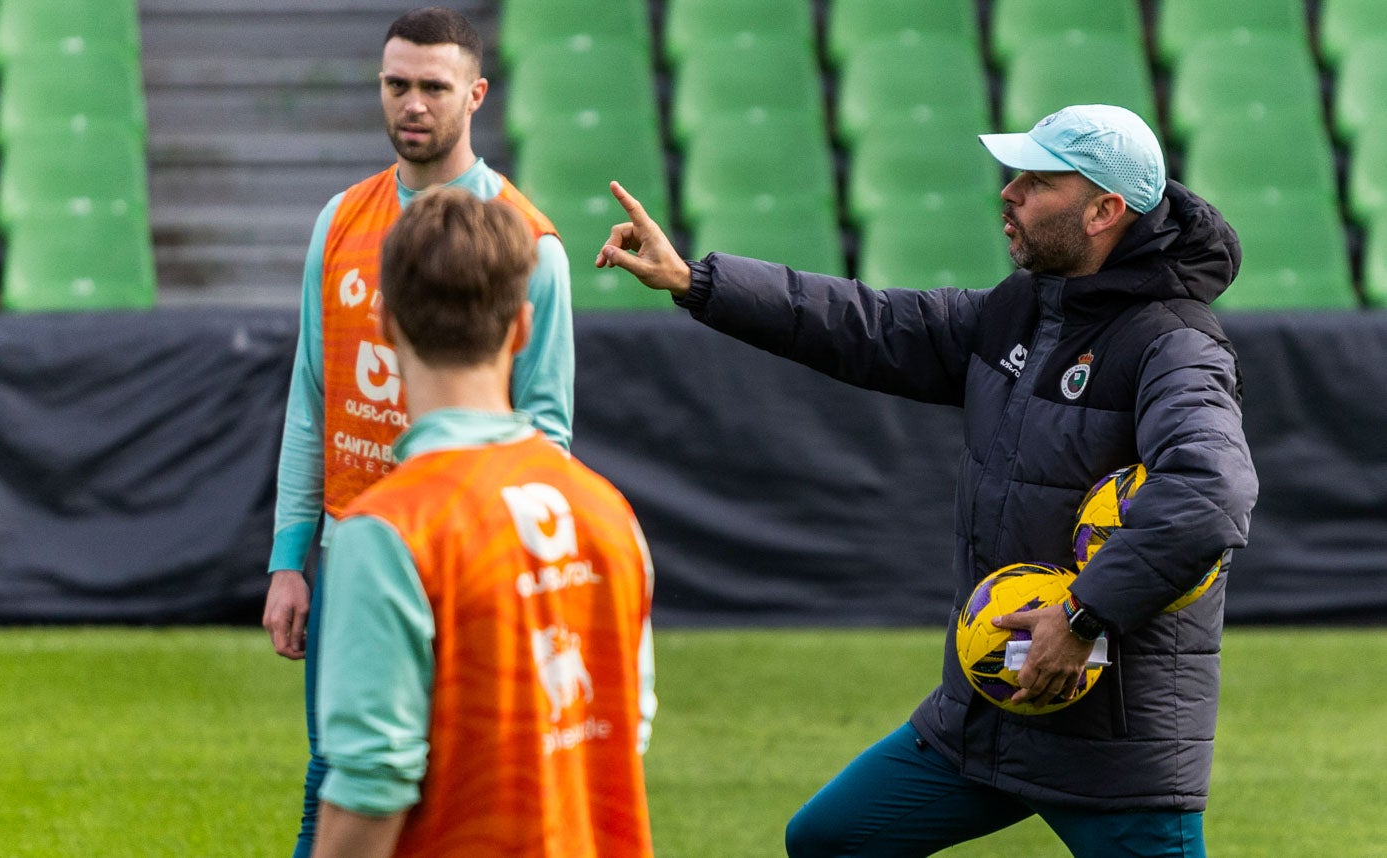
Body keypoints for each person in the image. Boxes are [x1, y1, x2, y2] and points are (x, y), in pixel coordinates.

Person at [598, 104, 1258, 856]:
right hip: (985, 711)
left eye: (1037, 182)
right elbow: (865, 324)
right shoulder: (1021, 313)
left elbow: (1211, 494)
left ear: (1104, 210)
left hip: (1110, 741)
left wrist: (1080, 618)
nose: (1007, 193)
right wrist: (698, 282)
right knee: (831, 839)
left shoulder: (1174, 345)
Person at [260, 8, 574, 855]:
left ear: (474, 94)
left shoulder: (529, 244)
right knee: (335, 779)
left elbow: (547, 432)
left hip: (467, 569)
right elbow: (313, 401)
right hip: (353, 549)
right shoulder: (339, 222)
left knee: (463, 794)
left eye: (433, 87)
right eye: (396, 84)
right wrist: (291, 558)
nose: (412, 103)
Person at [311, 186, 656, 858]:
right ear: (523, 328)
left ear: (383, 325)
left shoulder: (387, 531)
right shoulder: (608, 511)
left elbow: (371, 785)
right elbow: (623, 725)